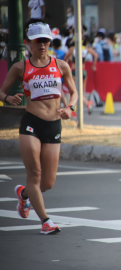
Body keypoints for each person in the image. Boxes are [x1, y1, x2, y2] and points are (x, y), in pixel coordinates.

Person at [0, 23, 78, 234]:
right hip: (31, 124)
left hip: (53, 125)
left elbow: (74, 92)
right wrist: (8, 98)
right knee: (34, 175)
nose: (42, 45)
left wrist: (70, 108)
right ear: (29, 43)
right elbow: (1, 91)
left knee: (48, 182)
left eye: (45, 41)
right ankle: (45, 221)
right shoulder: (20, 68)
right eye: (38, 41)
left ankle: (24, 195)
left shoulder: (60, 65)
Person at [65, 35, 98, 114]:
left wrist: (66, 63)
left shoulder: (72, 49)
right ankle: (80, 107)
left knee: (74, 91)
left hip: (75, 71)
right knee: (81, 92)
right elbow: (96, 55)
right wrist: (93, 66)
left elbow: (65, 58)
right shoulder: (86, 49)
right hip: (83, 71)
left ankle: (87, 103)